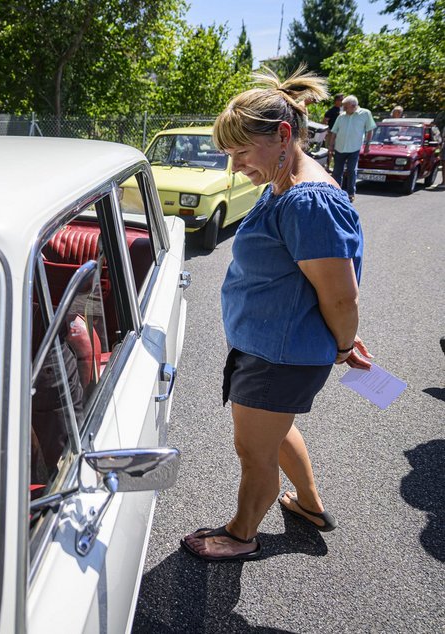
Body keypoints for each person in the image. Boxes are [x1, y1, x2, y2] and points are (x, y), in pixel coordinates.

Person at [181, 66, 373, 562]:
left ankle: (241, 535)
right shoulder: (284, 181)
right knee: (277, 428)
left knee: (254, 453)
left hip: (278, 356)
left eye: (242, 151)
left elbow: (340, 297)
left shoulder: (308, 200)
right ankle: (309, 505)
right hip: (271, 348)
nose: (236, 164)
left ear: (283, 135)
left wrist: (345, 346)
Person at [328, 95, 376, 202]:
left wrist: (368, 145)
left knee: (351, 170)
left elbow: (369, 130)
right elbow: (334, 132)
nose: (343, 109)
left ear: (353, 106)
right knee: (337, 171)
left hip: (354, 147)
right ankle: (336, 191)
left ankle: (350, 193)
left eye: (345, 106)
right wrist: (331, 146)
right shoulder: (341, 116)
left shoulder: (365, 114)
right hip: (339, 147)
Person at [322, 94, 343, 170]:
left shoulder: (343, 111)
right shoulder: (331, 111)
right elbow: (324, 122)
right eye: (340, 100)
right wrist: (327, 132)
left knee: (339, 151)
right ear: (336, 101)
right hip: (331, 133)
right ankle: (327, 166)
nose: (342, 101)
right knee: (329, 151)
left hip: (341, 134)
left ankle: (337, 167)